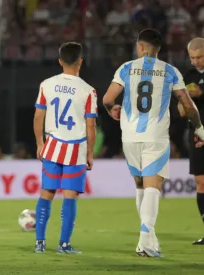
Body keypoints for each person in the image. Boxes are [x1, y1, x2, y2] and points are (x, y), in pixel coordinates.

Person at [103, 29, 204, 257]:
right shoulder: (170, 71)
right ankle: (145, 241)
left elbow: (108, 99)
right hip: (155, 136)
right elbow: (188, 105)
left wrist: (113, 109)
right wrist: (199, 128)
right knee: (152, 187)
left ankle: (150, 239)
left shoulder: (126, 68)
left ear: (140, 47)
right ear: (158, 50)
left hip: (129, 136)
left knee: (140, 186)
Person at [33, 42, 97, 255]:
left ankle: (40, 243)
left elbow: (38, 116)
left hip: (52, 145)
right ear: (81, 61)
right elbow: (90, 125)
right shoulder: (88, 91)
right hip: (76, 149)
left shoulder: (46, 84)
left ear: (60, 61)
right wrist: (90, 152)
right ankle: (63, 244)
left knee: (46, 193)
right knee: (70, 197)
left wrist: (40, 143)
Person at [178, 37, 204, 245]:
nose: (196, 61)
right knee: (201, 181)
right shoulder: (188, 76)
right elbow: (181, 109)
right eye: (192, 57)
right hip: (198, 133)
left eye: (200, 57)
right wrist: (184, 103)